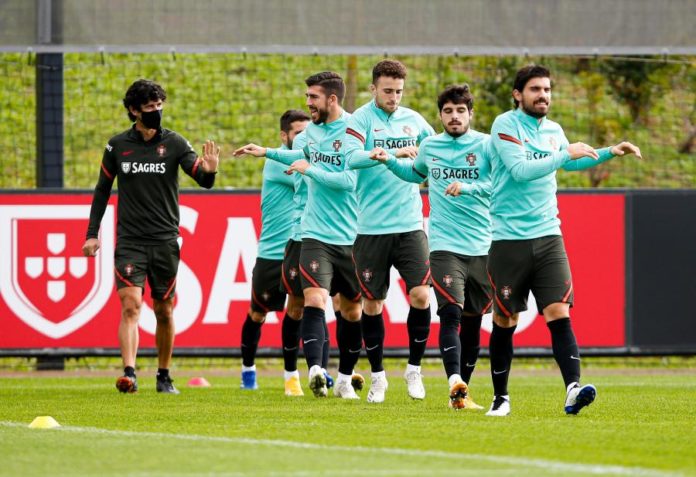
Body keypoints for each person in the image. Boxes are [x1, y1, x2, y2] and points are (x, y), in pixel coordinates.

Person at [486, 65, 642, 416]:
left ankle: (573, 389)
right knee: (505, 320)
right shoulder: (504, 125)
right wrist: (563, 154)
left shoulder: (554, 129)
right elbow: (521, 170)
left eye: (547, 89)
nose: (543, 95)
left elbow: (567, 165)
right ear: (517, 94)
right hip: (508, 239)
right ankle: (501, 398)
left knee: (558, 310)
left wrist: (607, 151)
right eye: (535, 89)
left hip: (548, 235)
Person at [82, 79, 220, 394]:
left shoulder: (175, 143)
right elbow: (102, 191)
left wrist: (210, 170)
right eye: (149, 107)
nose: (156, 111)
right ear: (133, 110)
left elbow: (202, 179)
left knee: (164, 308)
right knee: (131, 305)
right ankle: (129, 373)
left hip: (165, 241)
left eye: (159, 106)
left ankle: (164, 375)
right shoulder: (117, 146)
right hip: (130, 242)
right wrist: (92, 234)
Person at [234, 72, 363, 400]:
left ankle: (345, 378)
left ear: (331, 99)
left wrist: (310, 169)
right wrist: (266, 152)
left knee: (350, 311)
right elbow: (298, 157)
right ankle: (311, 370)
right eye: (306, 97)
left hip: (349, 237)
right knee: (311, 301)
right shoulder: (310, 136)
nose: (308, 103)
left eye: (313, 97)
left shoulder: (352, 129)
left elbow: (347, 180)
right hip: (309, 236)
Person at [373, 85, 493, 410]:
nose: (454, 117)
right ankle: (454, 379)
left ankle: (461, 395)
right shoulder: (431, 146)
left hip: (483, 245)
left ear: (470, 113)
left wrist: (468, 188)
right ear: (440, 115)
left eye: (460, 111)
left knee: (472, 322)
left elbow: (500, 185)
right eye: (448, 111)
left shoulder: (487, 146)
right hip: (443, 245)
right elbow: (415, 174)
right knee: (450, 313)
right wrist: (387, 162)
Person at [344, 59, 435, 403]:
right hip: (371, 228)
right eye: (387, 91)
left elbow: (434, 152)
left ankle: (414, 370)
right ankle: (378, 376)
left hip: (410, 225)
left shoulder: (415, 121)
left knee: (421, 296)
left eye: (398, 91)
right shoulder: (360, 119)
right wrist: (391, 153)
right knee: (372, 303)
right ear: (373, 89)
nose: (393, 97)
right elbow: (351, 159)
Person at [239, 109, 310, 396]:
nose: (304, 138)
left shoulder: (308, 158)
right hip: (272, 251)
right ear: (284, 136)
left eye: (308, 132)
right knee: (257, 313)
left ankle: (291, 376)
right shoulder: (275, 161)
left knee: (298, 310)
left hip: (301, 247)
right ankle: (248, 369)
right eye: (298, 133)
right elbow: (312, 175)